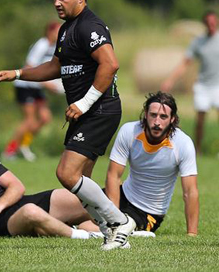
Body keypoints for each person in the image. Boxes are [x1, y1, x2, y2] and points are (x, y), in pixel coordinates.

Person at [0, 0, 135, 250]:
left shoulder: (90, 26)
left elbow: (110, 64)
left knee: (66, 174)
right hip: (86, 111)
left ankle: (118, 222)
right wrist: (17, 73)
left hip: (99, 109)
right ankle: (113, 234)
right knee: (81, 183)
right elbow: (55, 66)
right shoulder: (67, 28)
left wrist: (84, 103)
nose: (56, 2)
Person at [82, 92, 199, 236]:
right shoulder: (129, 131)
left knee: (88, 225)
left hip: (148, 213)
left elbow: (190, 192)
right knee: (65, 204)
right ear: (145, 114)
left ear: (172, 119)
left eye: (163, 117)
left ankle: (73, 230)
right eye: (153, 115)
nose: (157, 122)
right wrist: (113, 216)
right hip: (122, 195)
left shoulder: (183, 143)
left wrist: (191, 234)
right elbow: (114, 175)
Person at [4, 21, 63, 161]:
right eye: (58, 32)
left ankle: (24, 144)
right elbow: (29, 67)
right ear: (50, 32)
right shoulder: (41, 45)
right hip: (25, 85)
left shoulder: (54, 47)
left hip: (37, 87)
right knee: (29, 121)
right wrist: (47, 84)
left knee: (45, 118)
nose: (60, 35)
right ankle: (9, 151)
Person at [161, 11, 219, 155]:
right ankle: (197, 150)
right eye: (208, 23)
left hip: (217, 85)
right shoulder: (198, 42)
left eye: (213, 23)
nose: (211, 26)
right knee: (200, 120)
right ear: (205, 24)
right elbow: (185, 63)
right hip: (203, 86)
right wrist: (170, 80)